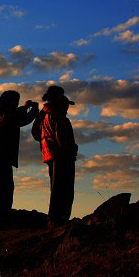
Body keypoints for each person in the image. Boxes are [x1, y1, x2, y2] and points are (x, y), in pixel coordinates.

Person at [0, 90, 39, 223]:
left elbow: (22, 120)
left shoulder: (10, 115)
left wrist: (33, 112)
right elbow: (8, 119)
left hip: (4, 156)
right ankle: (0, 218)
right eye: (15, 101)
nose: (16, 104)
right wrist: (25, 108)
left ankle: (4, 216)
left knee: (7, 187)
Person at [33, 85, 78, 225]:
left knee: (56, 187)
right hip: (62, 155)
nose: (67, 108)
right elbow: (62, 137)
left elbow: (35, 133)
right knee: (64, 187)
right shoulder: (58, 117)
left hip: (49, 155)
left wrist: (45, 142)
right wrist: (71, 149)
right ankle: (58, 218)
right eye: (66, 105)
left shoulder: (43, 114)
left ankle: (54, 218)